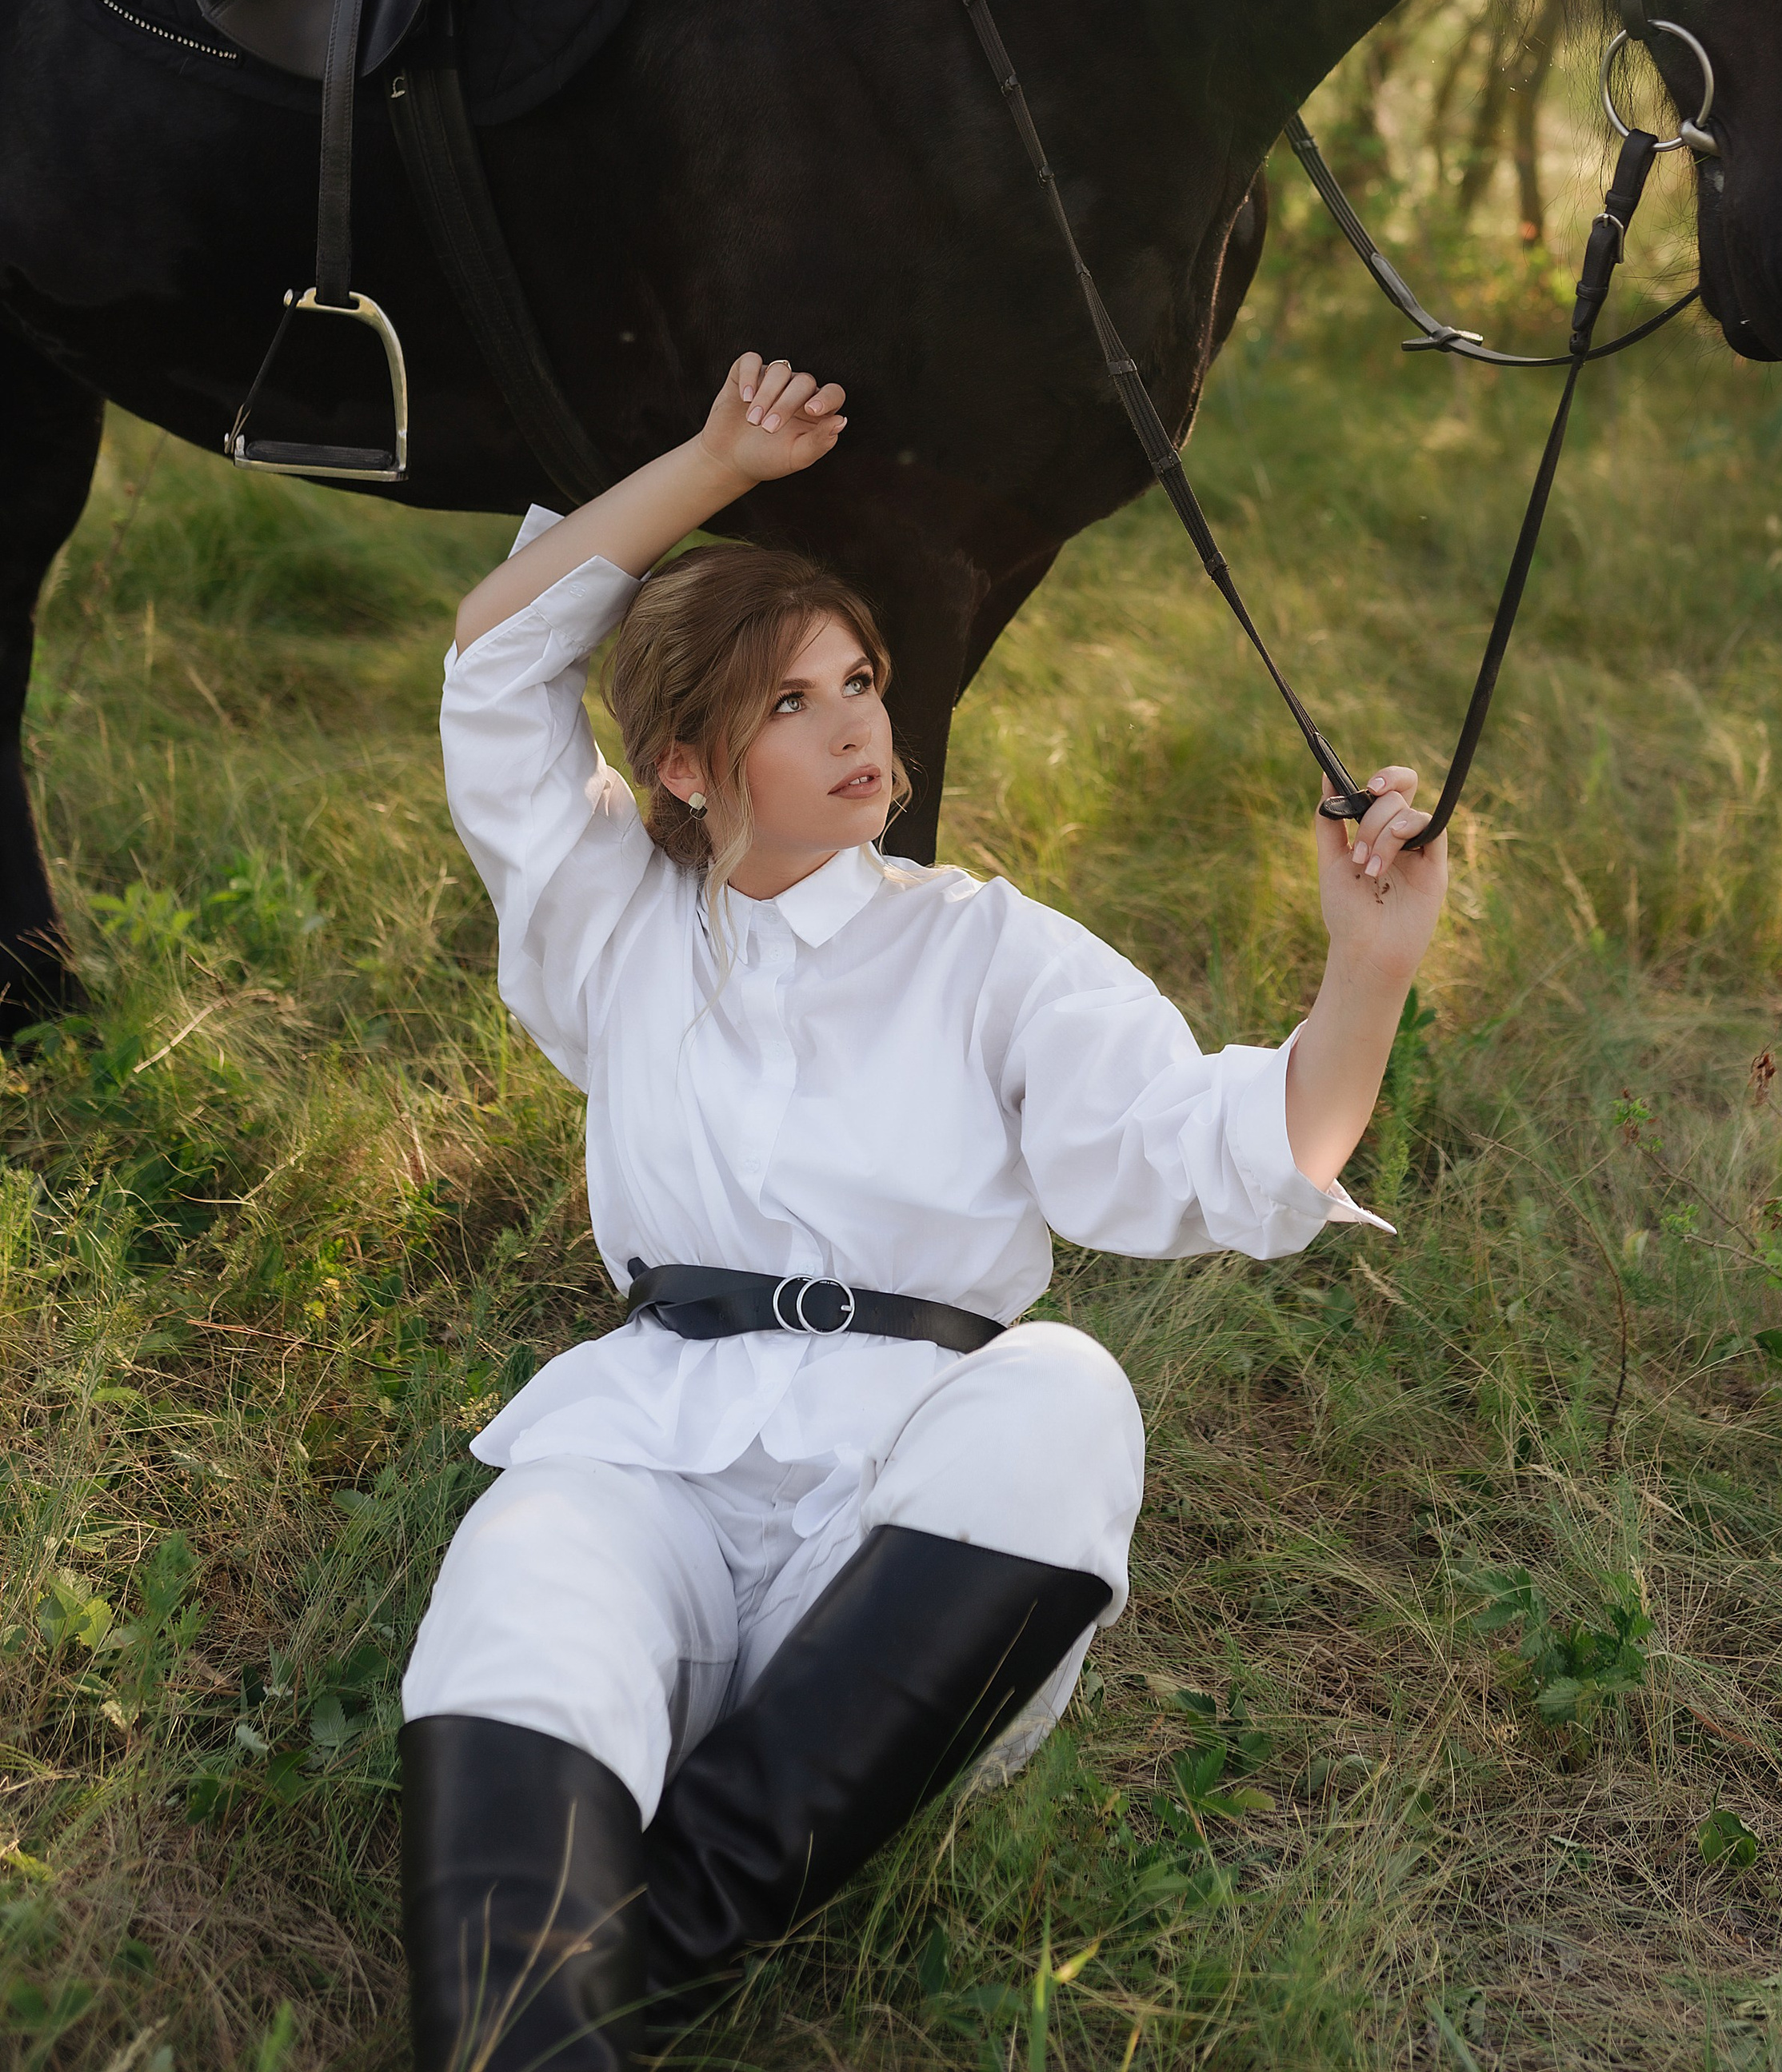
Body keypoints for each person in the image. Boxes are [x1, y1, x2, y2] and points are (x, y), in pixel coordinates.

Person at [399, 352, 1448, 2071]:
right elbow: (496, 656)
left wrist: (1370, 970)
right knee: (520, 1573)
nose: (857, 728)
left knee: (1066, 1389)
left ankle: (648, 1955)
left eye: (862, 681)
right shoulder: (611, 922)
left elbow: (1234, 1145)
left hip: (904, 1537)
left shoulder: (983, 947)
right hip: (653, 1451)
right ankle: (531, 2036)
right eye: (791, 700)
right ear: (685, 764)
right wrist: (718, 463)